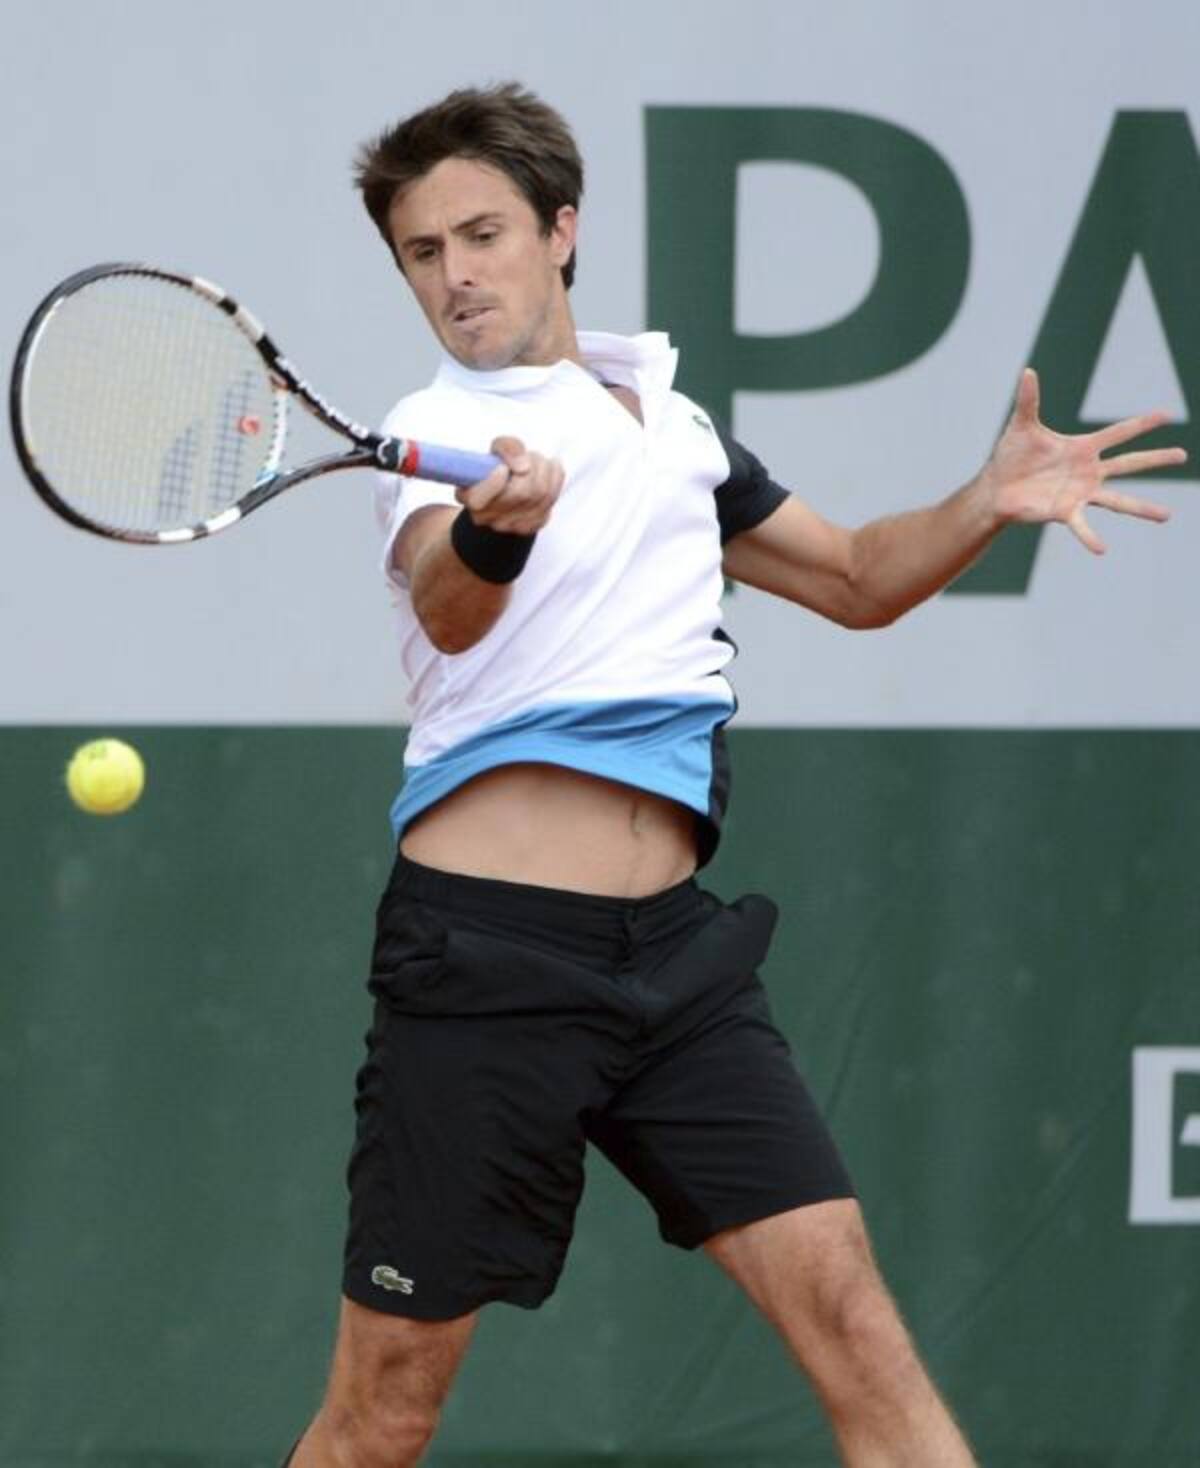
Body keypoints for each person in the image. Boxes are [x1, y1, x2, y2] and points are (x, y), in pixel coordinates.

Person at [284, 84, 1183, 1468]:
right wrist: (498, 533)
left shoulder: (671, 423)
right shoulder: (441, 426)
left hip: (678, 971)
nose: (457, 277)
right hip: (490, 962)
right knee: (384, 1419)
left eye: (483, 234)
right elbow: (445, 603)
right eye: (423, 252)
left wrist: (987, 502)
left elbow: (857, 579)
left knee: (854, 1325)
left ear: (561, 230)